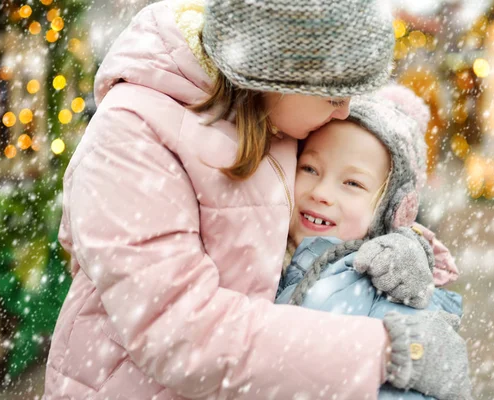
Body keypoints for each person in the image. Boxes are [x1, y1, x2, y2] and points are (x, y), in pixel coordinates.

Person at [44, 1, 472, 399]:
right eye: (333, 95)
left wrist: (401, 242)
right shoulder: (131, 138)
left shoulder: (277, 120)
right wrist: (385, 350)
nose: (343, 111)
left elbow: (340, 209)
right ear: (277, 74)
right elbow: (180, 331)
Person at [276, 84, 469, 399]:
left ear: (391, 208)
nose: (322, 192)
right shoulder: (262, 250)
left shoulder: (389, 286)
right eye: (309, 168)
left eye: (352, 182)